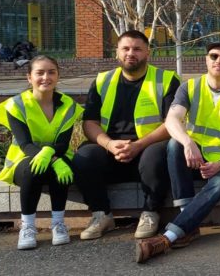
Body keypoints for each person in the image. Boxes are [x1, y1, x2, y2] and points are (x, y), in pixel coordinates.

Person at [135, 42, 220, 263]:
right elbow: (172, 119)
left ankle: (169, 236)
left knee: (217, 184)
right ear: (206, 59)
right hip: (196, 155)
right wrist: (187, 142)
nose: (218, 60)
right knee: (174, 144)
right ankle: (186, 221)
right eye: (214, 56)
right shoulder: (190, 87)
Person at [73, 30, 180, 241]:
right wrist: (110, 144)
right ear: (117, 53)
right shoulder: (102, 80)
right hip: (112, 150)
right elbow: (90, 123)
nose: (131, 53)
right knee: (85, 156)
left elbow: (172, 123)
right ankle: (101, 214)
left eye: (137, 49)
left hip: (147, 148)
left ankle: (150, 212)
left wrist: (138, 145)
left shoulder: (166, 80)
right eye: (126, 48)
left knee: (157, 154)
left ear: (148, 52)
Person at [0, 56, 82, 250]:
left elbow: (63, 143)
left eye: (51, 72)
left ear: (58, 76)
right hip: (23, 160)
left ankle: (58, 224)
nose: (46, 77)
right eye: (39, 73)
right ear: (29, 78)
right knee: (33, 169)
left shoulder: (68, 105)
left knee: (62, 168)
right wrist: (52, 157)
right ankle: (27, 226)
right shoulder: (16, 105)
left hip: (57, 156)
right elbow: (25, 144)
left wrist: (52, 156)